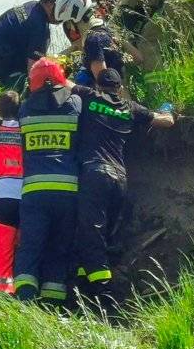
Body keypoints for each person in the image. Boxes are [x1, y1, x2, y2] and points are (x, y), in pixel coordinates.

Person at [72, 68, 175, 298]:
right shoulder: (130, 107)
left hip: (94, 173)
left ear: (98, 85)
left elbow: (64, 84)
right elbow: (166, 121)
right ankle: (97, 277)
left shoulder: (89, 97)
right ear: (119, 88)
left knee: (91, 228)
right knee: (110, 230)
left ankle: (99, 288)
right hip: (119, 177)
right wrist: (168, 107)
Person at [13, 58, 81, 303]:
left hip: (34, 190)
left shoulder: (24, 109)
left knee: (30, 246)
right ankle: (53, 302)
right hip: (68, 189)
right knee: (59, 246)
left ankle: (25, 299)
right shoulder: (75, 103)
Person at [54, 0, 138, 85]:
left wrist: (63, 81)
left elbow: (105, 85)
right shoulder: (106, 29)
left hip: (115, 94)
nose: (69, 27)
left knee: (82, 79)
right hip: (125, 90)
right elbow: (138, 58)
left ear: (73, 19)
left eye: (67, 23)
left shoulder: (92, 41)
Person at [0, 0, 65, 89]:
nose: (64, 14)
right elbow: (34, 70)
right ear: (50, 4)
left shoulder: (31, 6)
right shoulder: (40, 26)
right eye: (62, 8)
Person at [0, 91, 23, 293]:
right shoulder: (28, 128)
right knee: (24, 248)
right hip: (27, 194)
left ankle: (0, 294)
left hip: (2, 195)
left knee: (0, 252)